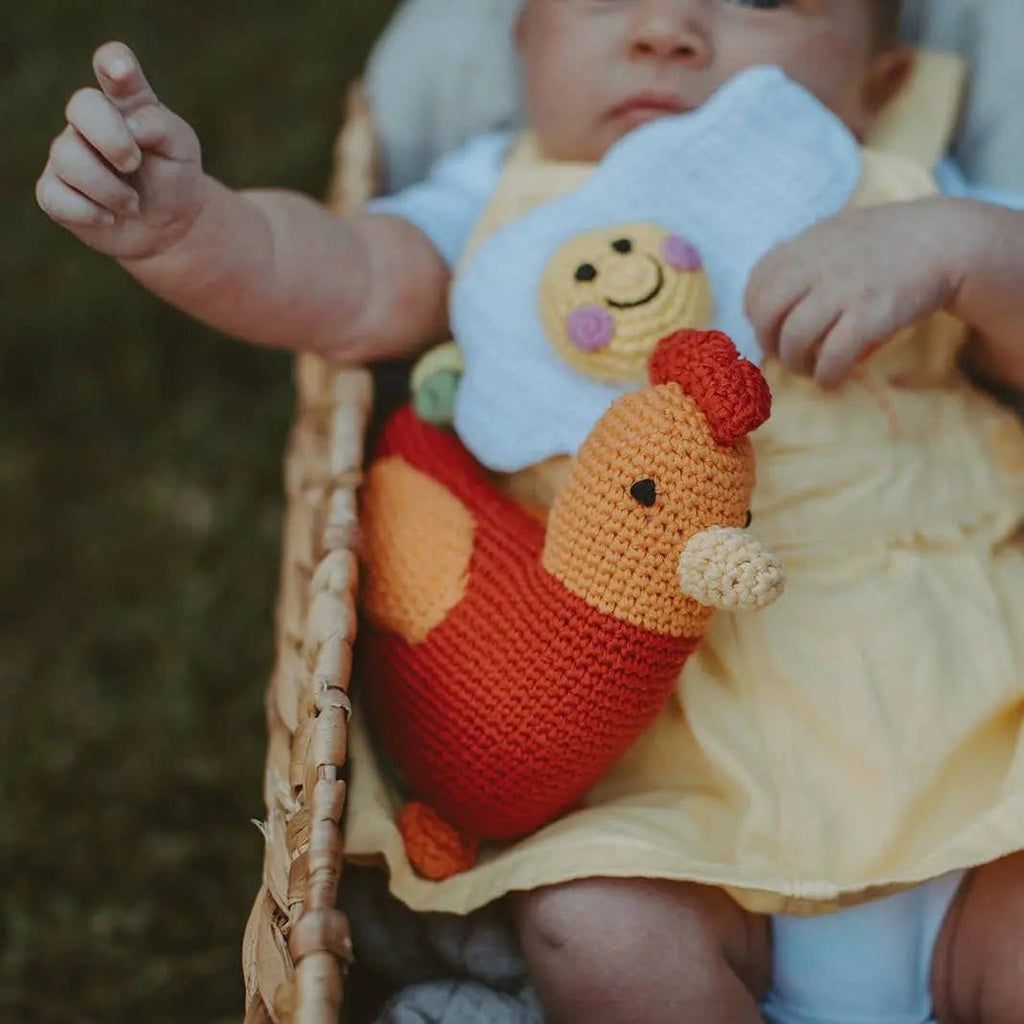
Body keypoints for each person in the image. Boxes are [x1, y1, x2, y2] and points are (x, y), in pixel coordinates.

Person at [36, 2, 1024, 1022]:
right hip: (675, 830)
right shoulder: (499, 199)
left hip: (976, 781)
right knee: (593, 924)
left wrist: (967, 249)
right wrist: (195, 227)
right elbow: (344, 281)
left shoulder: (898, 185)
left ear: (883, 81)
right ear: (522, 40)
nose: (668, 30)